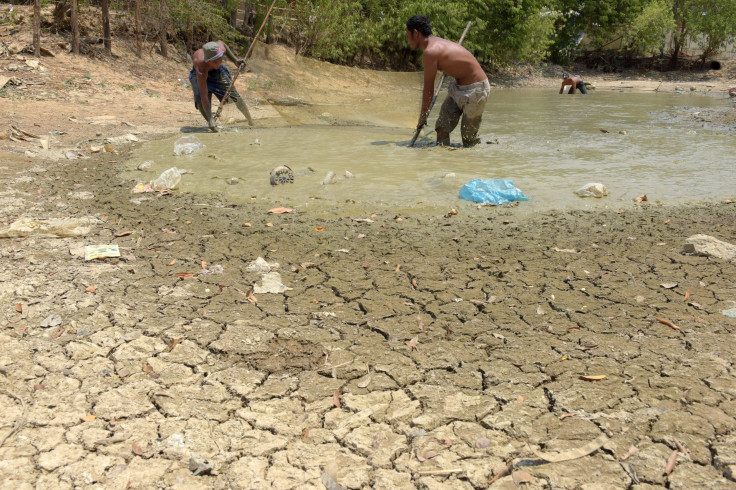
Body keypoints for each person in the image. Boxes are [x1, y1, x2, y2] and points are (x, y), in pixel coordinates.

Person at [406, 15, 490, 147]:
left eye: (408, 35)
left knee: (469, 140)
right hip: (457, 88)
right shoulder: (435, 46)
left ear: (415, 33)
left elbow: (428, 90)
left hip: (476, 90)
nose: (408, 40)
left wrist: (423, 117)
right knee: (442, 128)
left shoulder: (430, 52)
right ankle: (442, 161)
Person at [189, 40, 251, 131]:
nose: (218, 64)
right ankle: (211, 123)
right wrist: (210, 118)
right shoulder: (201, 67)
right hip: (200, 74)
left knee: (234, 96)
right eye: (214, 62)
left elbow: (223, 43)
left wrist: (235, 60)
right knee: (199, 99)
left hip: (218, 73)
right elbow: (204, 95)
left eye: (220, 60)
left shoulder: (220, 48)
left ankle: (251, 121)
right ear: (208, 61)